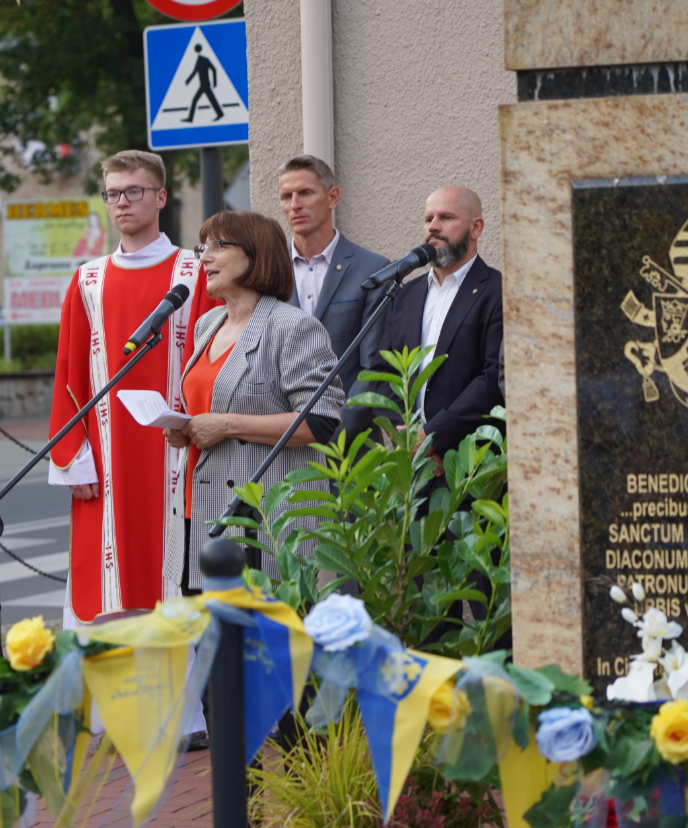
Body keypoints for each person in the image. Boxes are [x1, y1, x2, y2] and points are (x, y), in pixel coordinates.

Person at [49, 150, 215, 627]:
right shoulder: (88, 280)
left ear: (160, 197)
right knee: (107, 591)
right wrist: (71, 456)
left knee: (177, 589)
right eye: (113, 193)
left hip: (178, 453)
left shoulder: (195, 272)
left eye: (134, 191)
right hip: (106, 455)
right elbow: (69, 373)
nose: (122, 202)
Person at [162, 211, 346, 592]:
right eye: (202, 247)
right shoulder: (207, 325)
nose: (205, 258)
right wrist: (186, 430)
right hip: (198, 509)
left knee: (260, 645)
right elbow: (206, 407)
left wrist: (226, 425)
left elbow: (320, 422)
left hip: (262, 520)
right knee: (209, 641)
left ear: (256, 254)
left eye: (218, 246)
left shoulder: (292, 326)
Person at [363, 185, 504, 462]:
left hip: (471, 461)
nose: (433, 227)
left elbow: (492, 379)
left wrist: (434, 437)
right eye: (428, 219)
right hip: (413, 464)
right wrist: (404, 438)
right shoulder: (405, 295)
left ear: (476, 228)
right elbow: (383, 373)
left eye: (446, 218)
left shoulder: (497, 291)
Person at [277, 155, 390, 414]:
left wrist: (332, 430)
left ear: (332, 197)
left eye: (305, 193)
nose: (295, 205)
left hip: (349, 443)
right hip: (281, 441)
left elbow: (373, 369)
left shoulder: (373, 270)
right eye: (286, 196)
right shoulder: (269, 271)